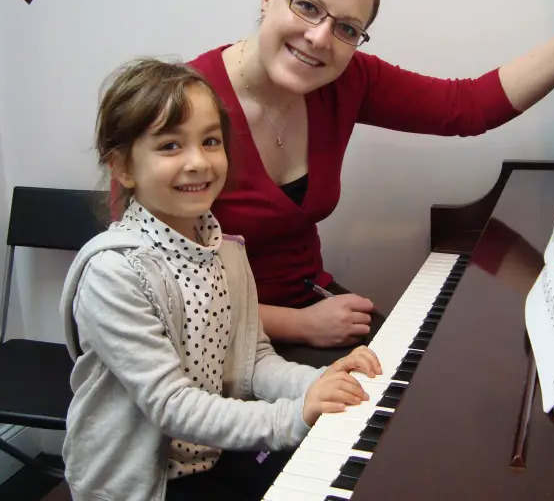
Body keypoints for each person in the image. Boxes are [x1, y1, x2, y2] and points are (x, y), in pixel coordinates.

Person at [185, 0, 554, 365]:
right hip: (217, 341)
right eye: (307, 7)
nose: (319, 38)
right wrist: (297, 326)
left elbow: (467, 107)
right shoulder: (178, 106)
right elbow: (155, 286)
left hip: (311, 307)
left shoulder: (345, 79)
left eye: (346, 29)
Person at [61, 59, 382, 501]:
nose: (198, 162)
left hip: (214, 453)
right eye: (170, 146)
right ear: (123, 167)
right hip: (145, 483)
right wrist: (294, 417)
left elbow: (253, 362)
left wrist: (318, 383)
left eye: (210, 141)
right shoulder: (114, 273)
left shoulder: (225, 250)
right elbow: (171, 405)